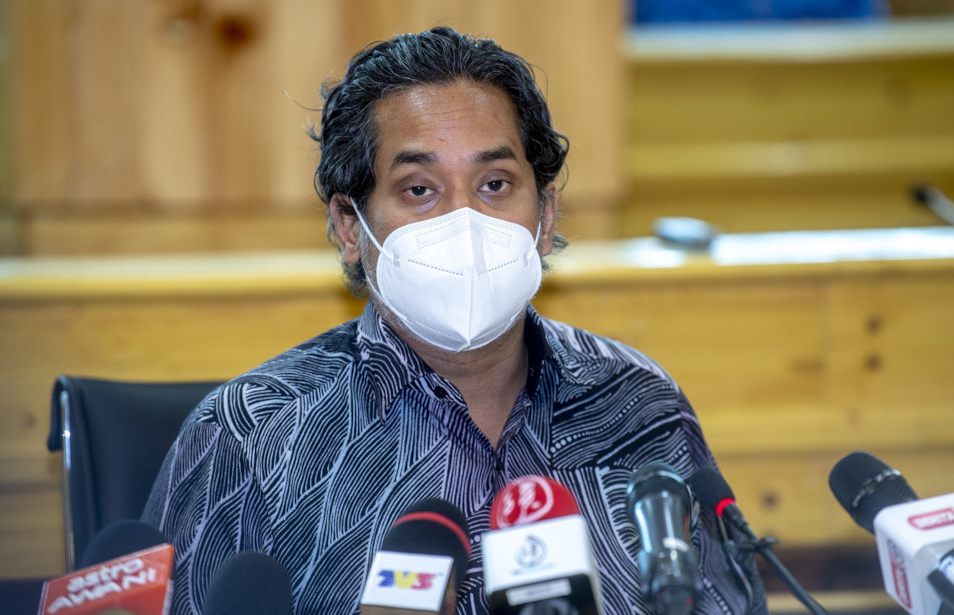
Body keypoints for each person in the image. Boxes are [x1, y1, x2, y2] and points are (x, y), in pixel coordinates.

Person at [143, 26, 768, 614]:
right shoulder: (254, 435)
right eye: (420, 190)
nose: (465, 219)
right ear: (349, 227)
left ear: (545, 215)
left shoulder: (637, 403)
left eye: (495, 183)